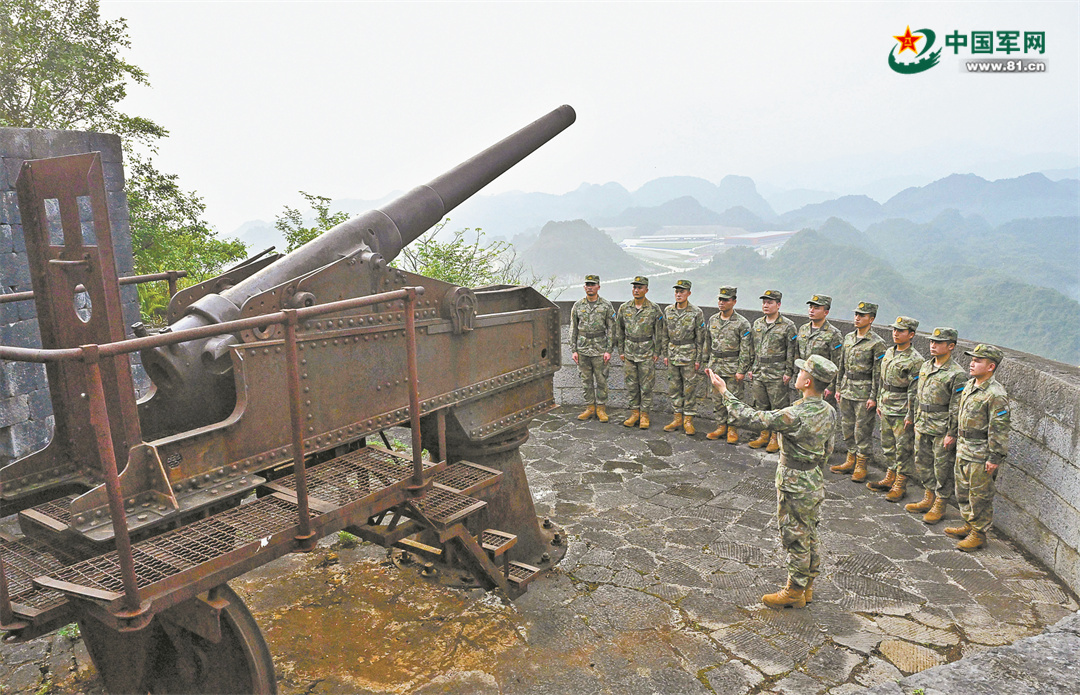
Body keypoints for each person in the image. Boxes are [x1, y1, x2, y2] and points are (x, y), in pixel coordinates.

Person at [706, 354, 837, 609]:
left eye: (801, 372)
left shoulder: (795, 414)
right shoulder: (828, 411)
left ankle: (794, 592)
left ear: (808, 382)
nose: (797, 374)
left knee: (794, 535)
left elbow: (751, 418)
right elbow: (828, 449)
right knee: (809, 533)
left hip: (794, 481)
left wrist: (724, 391)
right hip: (813, 478)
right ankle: (807, 585)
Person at [945, 344, 1010, 551]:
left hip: (980, 453)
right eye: (972, 359)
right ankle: (968, 524)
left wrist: (994, 457)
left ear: (991, 366)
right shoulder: (971, 385)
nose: (972, 363)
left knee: (980, 495)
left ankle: (979, 534)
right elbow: (959, 413)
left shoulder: (995, 394)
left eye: (978, 361)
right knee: (962, 491)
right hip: (964, 448)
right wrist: (953, 434)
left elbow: (999, 428)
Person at [904, 327, 967, 525]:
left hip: (941, 427)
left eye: (938, 343)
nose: (933, 345)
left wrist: (952, 433)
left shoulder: (957, 374)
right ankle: (928, 496)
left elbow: (957, 407)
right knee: (922, 462)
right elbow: (915, 394)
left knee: (942, 467)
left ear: (951, 346)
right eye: (932, 342)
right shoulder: (925, 366)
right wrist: (911, 417)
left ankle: (941, 502)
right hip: (923, 422)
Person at [868, 316, 924, 502]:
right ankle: (890, 476)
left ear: (911, 334)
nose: (896, 333)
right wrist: (878, 401)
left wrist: (910, 414)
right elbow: (881, 380)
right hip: (886, 406)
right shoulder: (889, 352)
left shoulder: (916, 360)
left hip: (901, 410)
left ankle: (900, 484)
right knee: (888, 446)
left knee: (903, 449)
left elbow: (914, 391)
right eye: (894, 330)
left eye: (901, 331)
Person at [830, 301, 886, 482]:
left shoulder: (877, 343)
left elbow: (878, 374)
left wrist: (874, 397)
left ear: (871, 319)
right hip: (847, 389)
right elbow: (842, 365)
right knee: (846, 427)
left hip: (864, 393)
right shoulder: (848, 338)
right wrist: (838, 387)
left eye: (861, 315)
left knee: (862, 430)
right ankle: (850, 458)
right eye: (856, 315)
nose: (857, 318)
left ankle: (862, 464)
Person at [745, 290, 798, 453]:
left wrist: (789, 371)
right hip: (759, 371)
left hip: (777, 372)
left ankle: (776, 437)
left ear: (778, 304)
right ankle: (764, 434)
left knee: (778, 408)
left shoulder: (788, 326)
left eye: (770, 302)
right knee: (761, 405)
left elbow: (791, 350)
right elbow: (752, 348)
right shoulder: (758, 324)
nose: (766, 305)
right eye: (764, 302)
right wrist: (751, 367)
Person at [702, 286, 751, 443]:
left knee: (733, 399)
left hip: (732, 367)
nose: (721, 302)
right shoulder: (713, 320)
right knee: (717, 399)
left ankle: (732, 429)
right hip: (716, 365)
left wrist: (742, 370)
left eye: (725, 300)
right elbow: (707, 343)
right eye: (720, 299)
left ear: (734, 302)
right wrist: (706, 363)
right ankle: (721, 426)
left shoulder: (742, 323)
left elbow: (746, 349)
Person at [616, 276, 665, 430]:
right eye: (635, 287)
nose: (636, 290)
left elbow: (660, 332)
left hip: (646, 352)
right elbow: (620, 330)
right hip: (630, 352)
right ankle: (634, 413)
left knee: (646, 386)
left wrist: (657, 352)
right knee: (631, 385)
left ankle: (644, 414)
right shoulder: (624, 308)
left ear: (646, 290)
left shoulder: (654, 309)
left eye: (640, 287)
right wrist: (621, 350)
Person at [569, 274, 616, 422]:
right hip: (583, 348)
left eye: (593, 284)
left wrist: (609, 350)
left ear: (598, 287)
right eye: (587, 284)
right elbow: (573, 328)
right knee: (586, 380)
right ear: (584, 287)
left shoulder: (606, 305)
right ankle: (590, 407)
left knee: (601, 380)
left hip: (599, 348)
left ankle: (601, 408)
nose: (590, 287)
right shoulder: (578, 306)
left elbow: (611, 329)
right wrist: (574, 350)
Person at [662, 279, 706, 436]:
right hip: (673, 353)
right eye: (677, 291)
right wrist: (665, 354)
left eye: (682, 291)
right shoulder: (668, 311)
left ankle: (688, 420)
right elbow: (664, 334)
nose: (678, 294)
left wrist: (698, 360)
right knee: (674, 388)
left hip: (689, 355)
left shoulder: (696, 313)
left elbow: (701, 338)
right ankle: (677, 418)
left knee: (689, 389)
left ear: (689, 293)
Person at [796, 294, 843, 400]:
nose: (811, 311)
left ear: (826, 312)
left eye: (816, 308)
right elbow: (797, 353)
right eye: (810, 307)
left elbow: (837, 363)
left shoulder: (834, 334)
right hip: (804, 381)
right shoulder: (803, 329)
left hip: (821, 384)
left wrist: (831, 387)